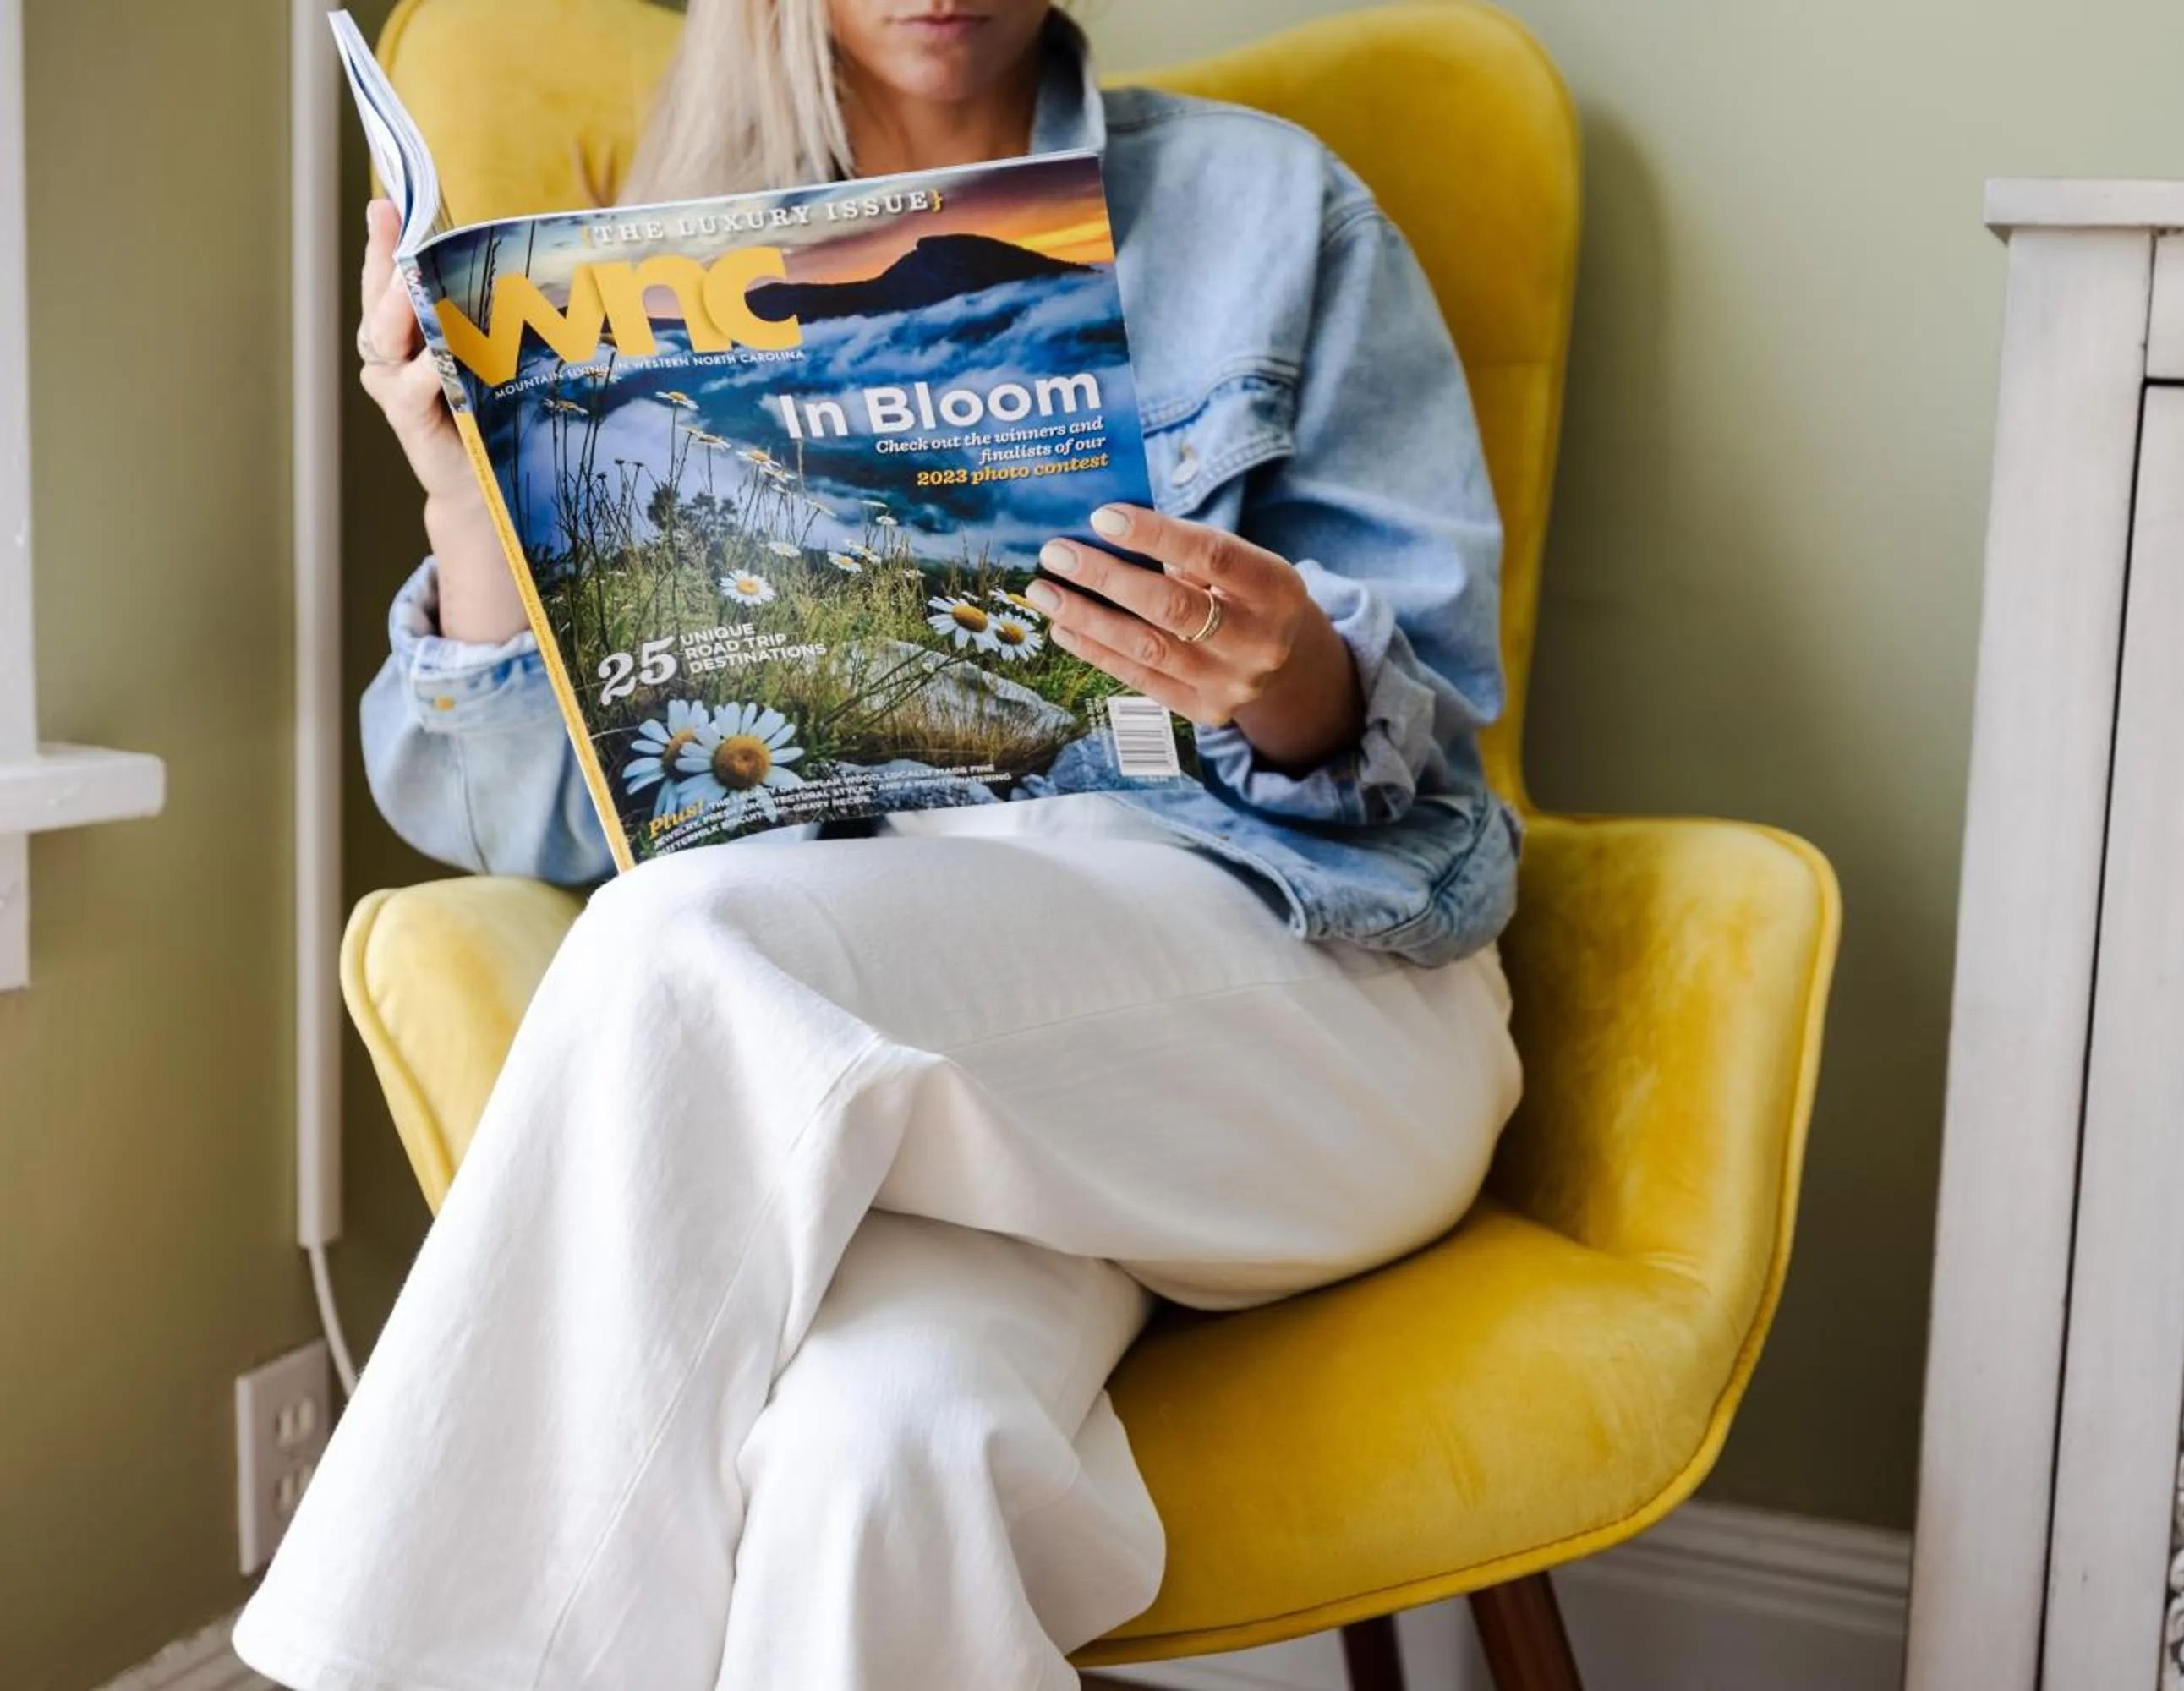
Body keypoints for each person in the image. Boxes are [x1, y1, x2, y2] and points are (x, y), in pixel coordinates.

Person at [233, 3, 1521, 1686]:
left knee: (686, 945)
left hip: (1304, 1009)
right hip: (922, 1080)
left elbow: (1435, 753)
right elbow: (524, 818)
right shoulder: (653, 294)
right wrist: (459, 487)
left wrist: (1290, 674)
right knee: (879, 1453)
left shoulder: (1272, 212)